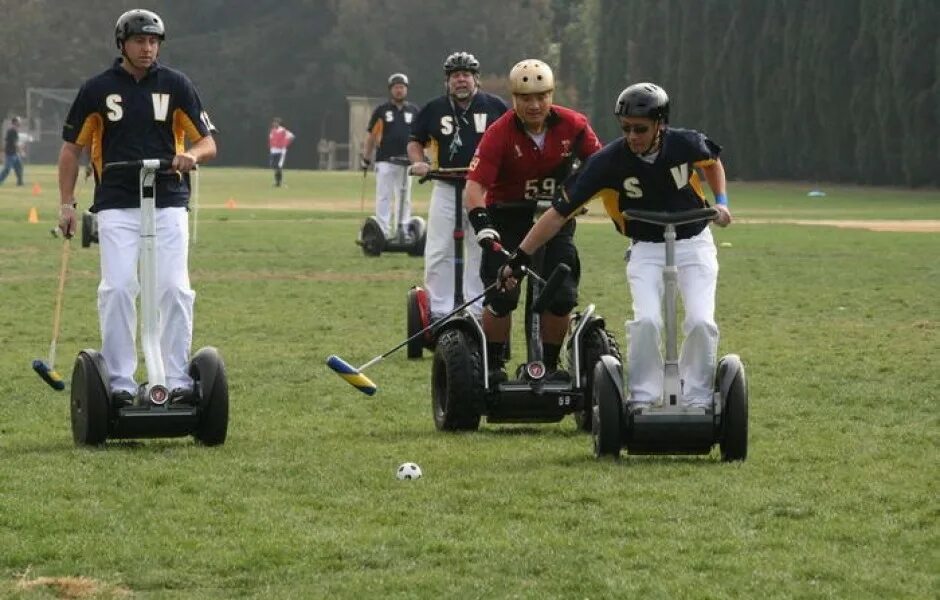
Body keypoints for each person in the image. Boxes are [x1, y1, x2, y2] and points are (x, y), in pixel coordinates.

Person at [501, 82, 732, 410]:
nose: (633, 137)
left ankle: (696, 399)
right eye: (626, 129)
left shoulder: (685, 142)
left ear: (659, 125)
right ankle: (642, 398)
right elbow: (557, 214)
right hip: (646, 247)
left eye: (641, 129)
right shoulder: (607, 162)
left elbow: (712, 162)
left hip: (694, 242)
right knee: (648, 320)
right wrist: (520, 255)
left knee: (700, 321)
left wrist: (722, 202)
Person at [57, 8, 217, 406]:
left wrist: (191, 156)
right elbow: (71, 150)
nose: (147, 48)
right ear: (122, 44)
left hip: (168, 200)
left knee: (175, 288)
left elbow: (208, 142)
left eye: (153, 41)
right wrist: (67, 205)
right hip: (116, 202)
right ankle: (121, 382)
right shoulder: (97, 89)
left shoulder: (177, 85)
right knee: (117, 288)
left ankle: (177, 378)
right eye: (140, 41)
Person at [465, 59, 602, 378]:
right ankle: (495, 367)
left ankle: (549, 367)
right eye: (526, 97)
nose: (535, 104)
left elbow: (600, 165)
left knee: (562, 294)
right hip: (507, 220)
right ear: (514, 98)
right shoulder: (498, 133)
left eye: (541, 96)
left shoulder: (575, 125)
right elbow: (474, 187)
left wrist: (579, 193)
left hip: (556, 220)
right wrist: (483, 226)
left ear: (551, 94)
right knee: (502, 294)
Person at [407, 52, 508, 321]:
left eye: (465, 75)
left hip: (484, 188)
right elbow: (415, 141)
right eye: (454, 76)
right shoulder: (434, 108)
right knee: (439, 248)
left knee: (482, 247)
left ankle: (476, 312)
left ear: (476, 79)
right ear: (447, 81)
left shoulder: (496, 107)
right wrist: (419, 163)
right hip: (445, 186)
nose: (460, 80)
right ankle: (440, 312)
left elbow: (513, 140)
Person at [361, 73, 419, 236]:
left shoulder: (414, 110)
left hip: (407, 161)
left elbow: (420, 136)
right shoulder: (381, 111)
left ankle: (403, 228)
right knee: (383, 196)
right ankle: (383, 231)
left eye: (402, 87)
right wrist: (366, 157)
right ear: (391, 90)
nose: (399, 90)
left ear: (406, 90)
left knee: (404, 197)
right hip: (385, 159)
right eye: (396, 87)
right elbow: (371, 136)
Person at [268, 117, 295, 187]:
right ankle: (277, 181)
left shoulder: (283, 130)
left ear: (278, 123)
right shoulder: (272, 131)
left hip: (281, 151)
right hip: (273, 151)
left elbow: (292, 136)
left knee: (278, 166)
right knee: (273, 166)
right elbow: (271, 140)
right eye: (274, 122)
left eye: (276, 122)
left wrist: (285, 144)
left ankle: (279, 182)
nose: (275, 124)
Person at [0, 116, 24, 186]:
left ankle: (20, 182)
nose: (20, 122)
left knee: (19, 167)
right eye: (19, 121)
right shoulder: (12, 131)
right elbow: (15, 143)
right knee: (7, 169)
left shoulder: (14, 130)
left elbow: (10, 141)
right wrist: (21, 151)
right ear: (15, 122)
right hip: (10, 154)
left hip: (14, 153)